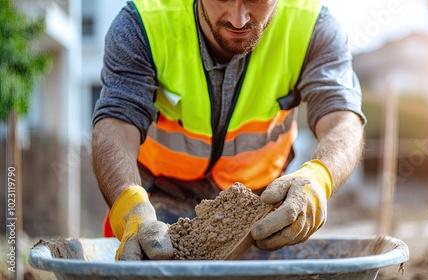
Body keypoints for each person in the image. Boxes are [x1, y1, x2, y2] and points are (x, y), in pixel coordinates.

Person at [92, 0, 366, 261]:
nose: (239, 19)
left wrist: (319, 177)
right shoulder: (144, 24)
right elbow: (116, 121)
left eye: (256, 1)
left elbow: (342, 119)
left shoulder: (313, 28)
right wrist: (128, 202)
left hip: (262, 205)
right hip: (161, 196)